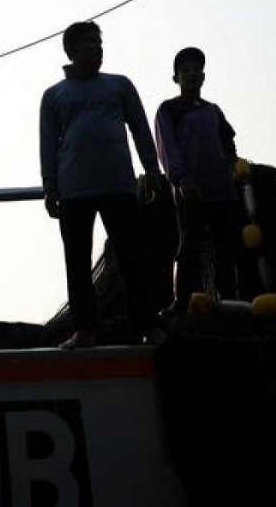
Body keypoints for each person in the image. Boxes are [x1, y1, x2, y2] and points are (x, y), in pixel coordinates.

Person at [40, 20, 162, 349]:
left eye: (99, 42)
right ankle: (84, 329)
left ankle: (146, 326)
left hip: (119, 185)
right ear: (70, 51)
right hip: (73, 188)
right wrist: (49, 186)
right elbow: (48, 143)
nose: (96, 49)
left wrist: (152, 170)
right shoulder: (54, 95)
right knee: (77, 263)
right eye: (88, 44)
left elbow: (139, 127)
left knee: (132, 258)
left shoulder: (119, 85)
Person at [154, 47, 243, 309]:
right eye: (186, 71)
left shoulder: (213, 110)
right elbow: (167, 147)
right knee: (189, 248)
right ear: (176, 78)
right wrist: (181, 180)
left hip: (222, 191)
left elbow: (228, 143)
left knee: (226, 250)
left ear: (203, 77)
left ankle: (229, 304)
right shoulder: (168, 109)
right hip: (190, 191)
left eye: (196, 70)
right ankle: (181, 305)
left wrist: (231, 165)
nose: (192, 74)